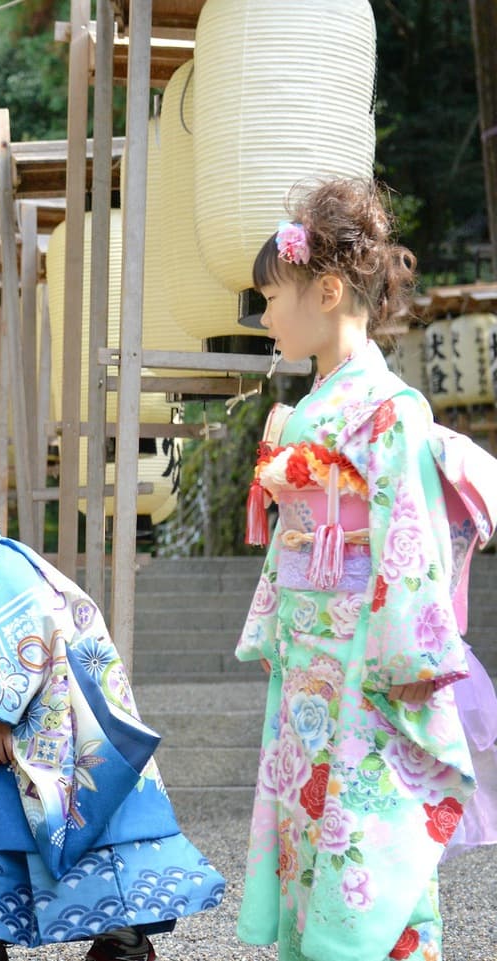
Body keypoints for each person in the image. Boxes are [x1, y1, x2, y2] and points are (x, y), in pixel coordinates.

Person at [237, 177, 497, 961]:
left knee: (368, 821)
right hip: (313, 645)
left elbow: (406, 530)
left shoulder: (390, 405)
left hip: (365, 652)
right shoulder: (321, 399)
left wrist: (412, 656)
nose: (263, 318)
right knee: (310, 811)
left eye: (271, 299)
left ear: (325, 290)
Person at [0, 425, 225, 961]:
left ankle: (116, 938)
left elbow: (25, 624)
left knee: (58, 829)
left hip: (39, 725)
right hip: (20, 721)